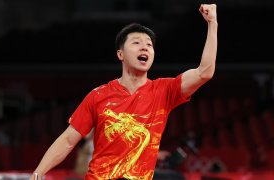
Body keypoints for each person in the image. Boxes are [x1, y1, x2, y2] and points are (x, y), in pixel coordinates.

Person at [30, 4, 217, 180]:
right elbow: (68, 140)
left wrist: (212, 24)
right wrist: (37, 174)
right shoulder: (98, 95)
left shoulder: (164, 90)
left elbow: (204, 72)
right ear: (120, 54)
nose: (145, 47)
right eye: (136, 42)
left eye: (149, 45)